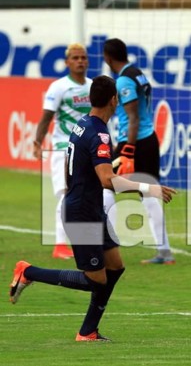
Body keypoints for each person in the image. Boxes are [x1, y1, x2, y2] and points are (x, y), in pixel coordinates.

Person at [9, 75, 177, 341]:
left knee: (116, 267)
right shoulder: (98, 132)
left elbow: (80, 168)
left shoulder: (82, 123)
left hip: (89, 208)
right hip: (82, 214)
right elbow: (107, 181)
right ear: (115, 100)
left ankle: (88, 331)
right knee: (94, 280)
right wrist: (149, 188)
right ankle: (28, 272)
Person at [102, 38, 175, 264]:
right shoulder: (137, 73)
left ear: (108, 58)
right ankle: (164, 251)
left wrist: (128, 151)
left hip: (135, 143)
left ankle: (104, 245)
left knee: (104, 185)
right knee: (149, 192)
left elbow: (133, 117)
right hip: (148, 138)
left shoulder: (123, 81)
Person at [33, 43, 92, 260]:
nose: (80, 61)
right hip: (62, 149)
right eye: (75, 58)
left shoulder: (93, 86)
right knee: (66, 195)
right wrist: (37, 142)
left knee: (90, 196)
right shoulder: (58, 87)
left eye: (83, 57)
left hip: (86, 150)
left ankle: (87, 241)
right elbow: (46, 116)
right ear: (67, 62)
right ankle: (59, 245)